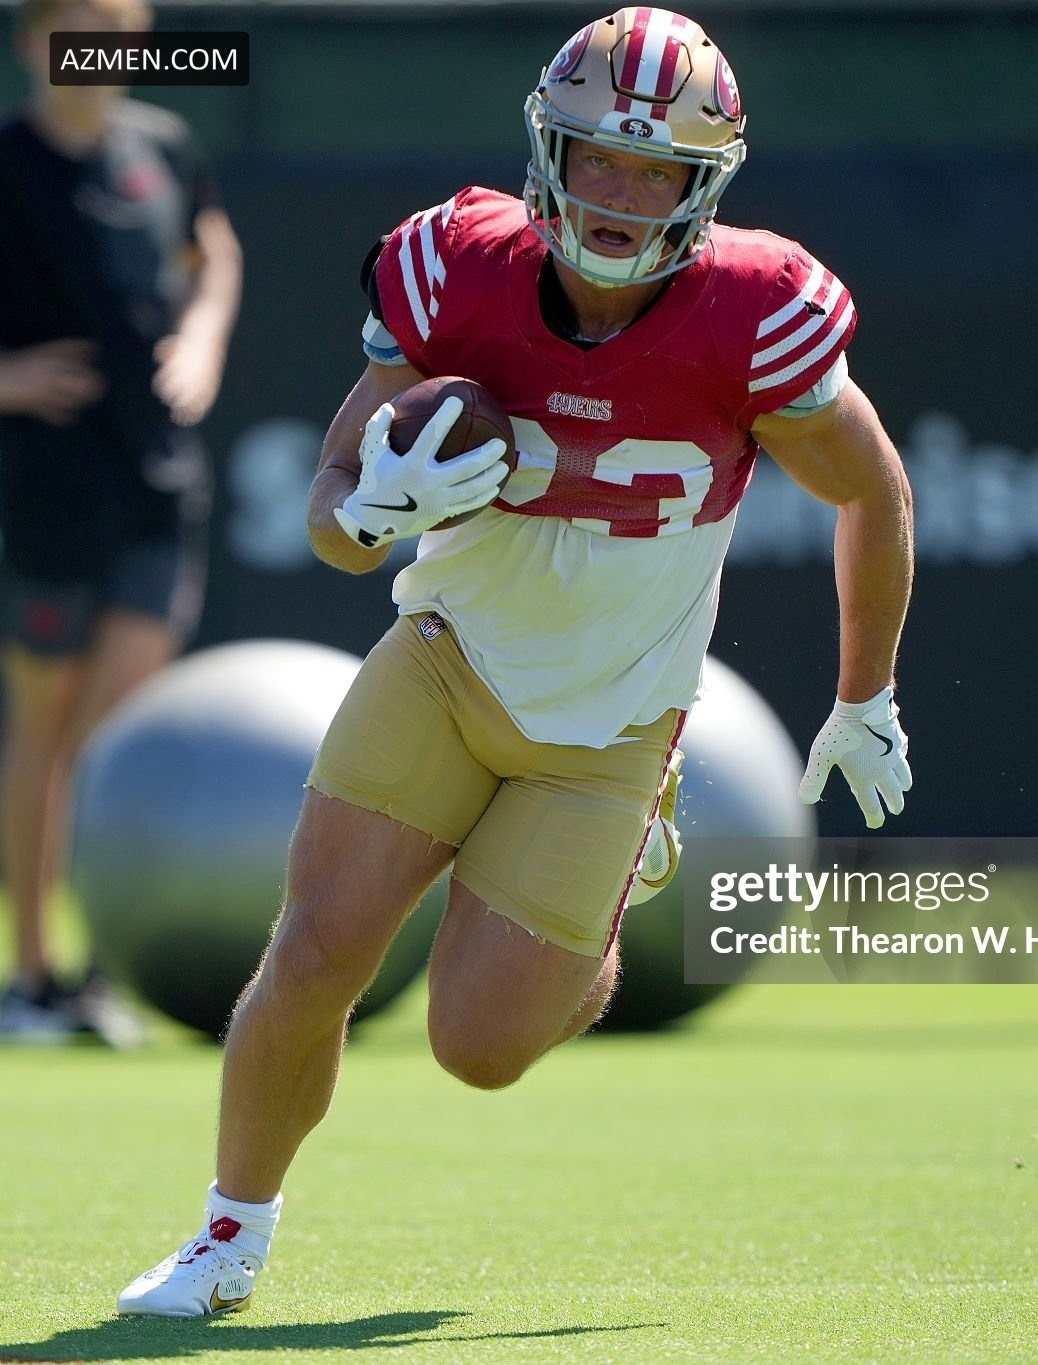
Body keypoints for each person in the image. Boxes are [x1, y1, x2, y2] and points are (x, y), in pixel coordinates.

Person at [117, 6, 912, 1315]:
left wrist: (864, 693)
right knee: (314, 952)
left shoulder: (754, 309)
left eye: (653, 170)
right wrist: (368, 514)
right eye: (598, 157)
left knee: (477, 1047)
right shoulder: (458, 267)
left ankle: (614, 878)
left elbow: (871, 492)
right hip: (445, 661)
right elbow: (329, 508)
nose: (619, 194)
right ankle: (225, 1236)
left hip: (611, 728)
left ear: (702, 184)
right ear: (549, 149)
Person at [0, 0, 242, 1044]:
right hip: (45, 488)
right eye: (75, 26)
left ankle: (103, 974)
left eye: (116, 28)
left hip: (158, 481)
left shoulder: (165, 145)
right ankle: (32, 978)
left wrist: (200, 342)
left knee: (121, 734)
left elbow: (213, 254)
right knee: (45, 728)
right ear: (31, 41)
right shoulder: (8, 161)